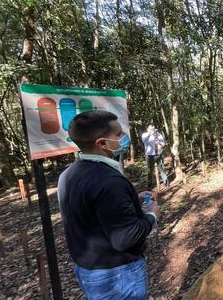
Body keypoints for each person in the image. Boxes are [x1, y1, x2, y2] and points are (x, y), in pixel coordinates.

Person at [58, 111, 159, 300]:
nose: (124, 138)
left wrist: (130, 200)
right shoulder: (109, 182)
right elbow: (126, 238)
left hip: (89, 271)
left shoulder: (68, 175)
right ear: (102, 143)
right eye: (119, 134)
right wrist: (152, 215)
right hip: (117, 276)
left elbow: (90, 210)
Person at [141, 125, 168, 189]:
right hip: (150, 156)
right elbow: (144, 140)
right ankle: (150, 186)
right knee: (150, 171)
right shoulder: (145, 135)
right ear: (147, 129)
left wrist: (159, 142)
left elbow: (164, 144)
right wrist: (150, 133)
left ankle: (166, 183)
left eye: (153, 128)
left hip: (159, 154)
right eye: (150, 128)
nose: (152, 129)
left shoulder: (159, 135)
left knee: (162, 169)